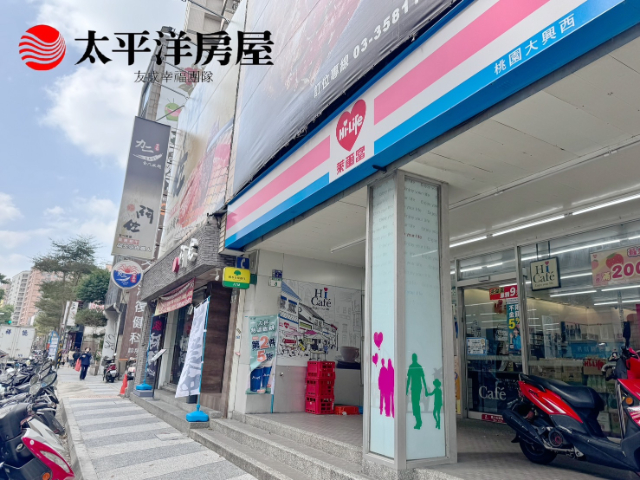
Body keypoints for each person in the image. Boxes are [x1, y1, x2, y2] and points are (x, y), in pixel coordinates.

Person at [406, 353, 428, 429]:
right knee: (415, 404)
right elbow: (410, 379)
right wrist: (406, 388)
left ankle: (419, 421)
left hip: (416, 388)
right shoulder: (417, 367)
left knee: (415, 404)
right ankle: (418, 420)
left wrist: (407, 389)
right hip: (416, 388)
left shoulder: (413, 367)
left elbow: (410, 379)